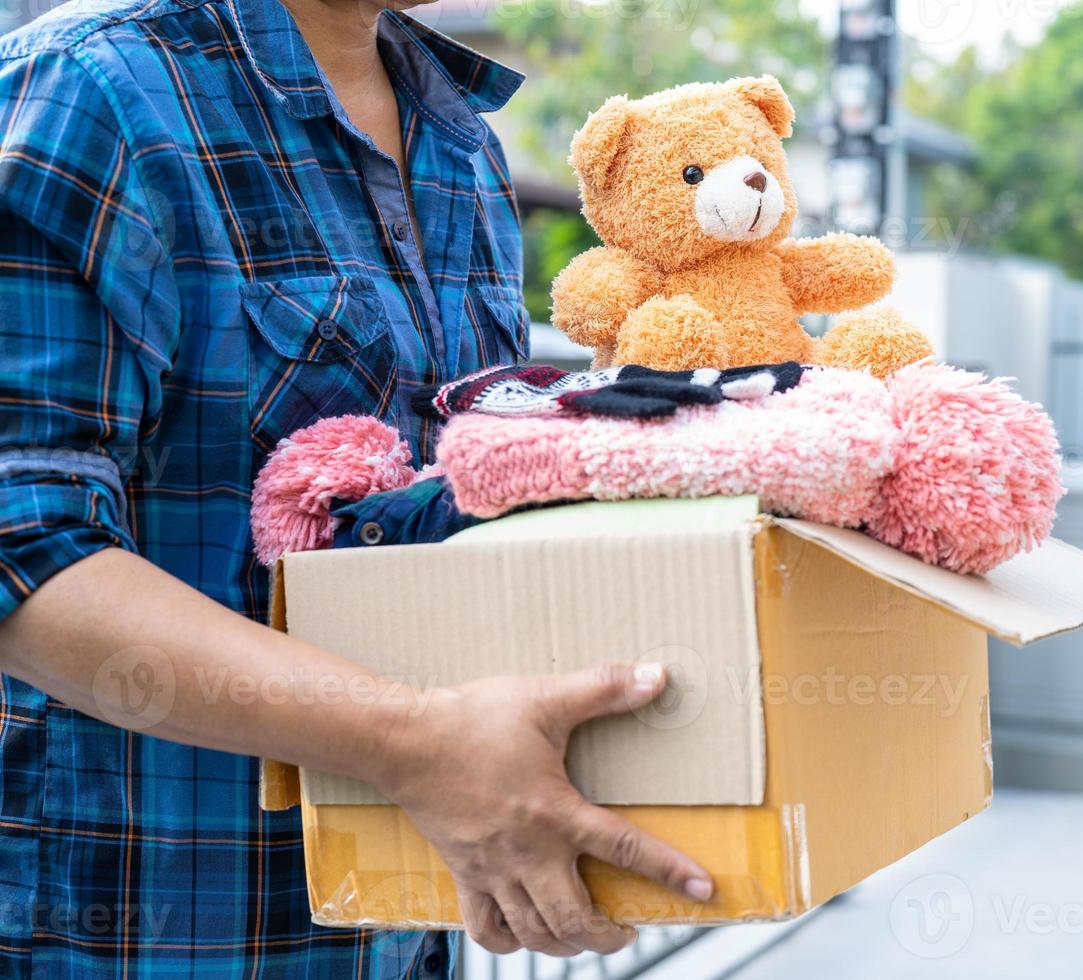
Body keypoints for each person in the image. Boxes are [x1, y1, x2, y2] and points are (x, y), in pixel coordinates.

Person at [0, 0, 712, 974]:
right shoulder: (91, 90)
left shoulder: (459, 144)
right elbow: (25, 548)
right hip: (141, 926)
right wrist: (418, 745)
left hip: (406, 924)